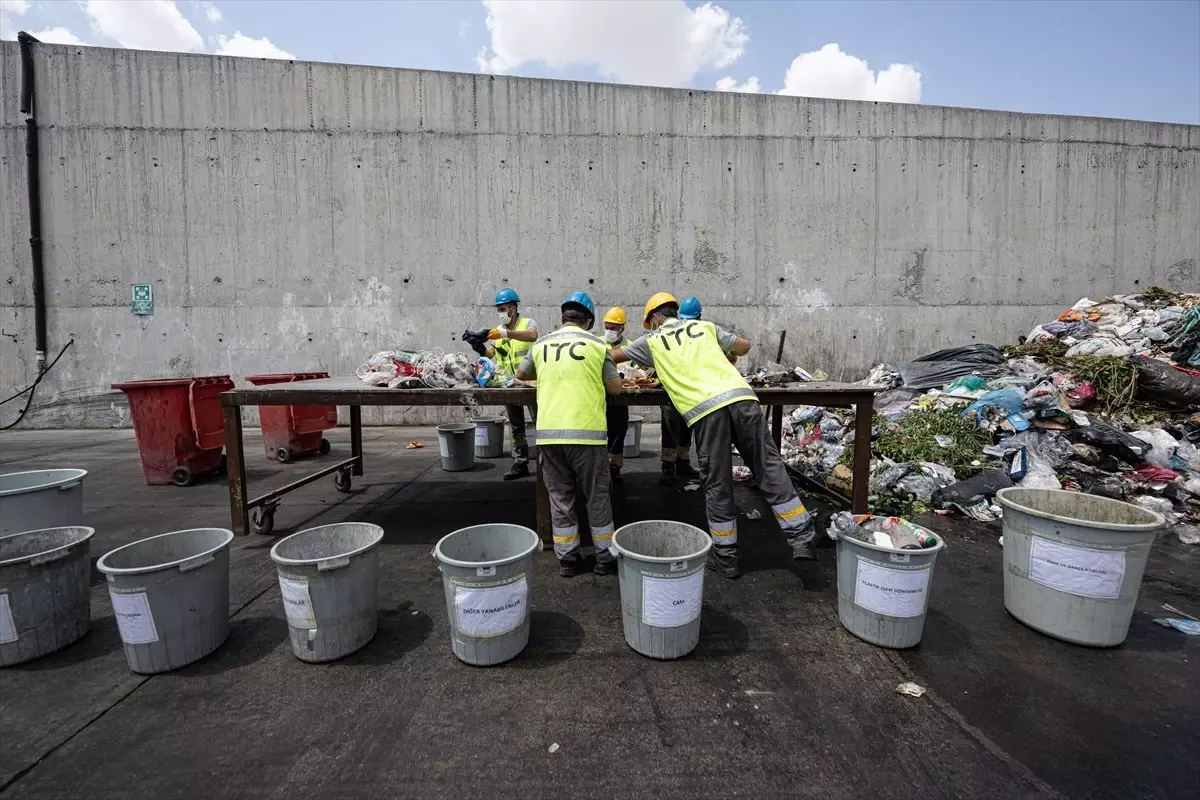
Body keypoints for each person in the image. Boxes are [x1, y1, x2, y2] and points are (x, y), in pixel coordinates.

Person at [611, 293, 816, 579]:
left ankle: (727, 557)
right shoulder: (704, 327)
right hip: (743, 400)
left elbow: (611, 356)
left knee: (718, 480)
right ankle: (802, 537)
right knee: (768, 466)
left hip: (708, 412)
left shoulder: (653, 341)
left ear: (655, 319)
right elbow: (743, 347)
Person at [517, 292, 624, 577]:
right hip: (587, 434)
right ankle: (604, 558)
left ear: (562, 318)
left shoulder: (541, 344)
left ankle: (567, 560)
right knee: (597, 495)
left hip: (550, 435)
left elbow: (521, 374)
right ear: (588, 321)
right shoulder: (598, 345)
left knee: (560, 497)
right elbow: (615, 389)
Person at [485, 288, 538, 481]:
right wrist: (478, 346)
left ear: (514, 308)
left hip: (531, 383)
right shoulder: (498, 332)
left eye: (503, 309)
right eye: (498, 309)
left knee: (540, 422)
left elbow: (532, 336)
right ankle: (520, 462)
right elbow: (490, 354)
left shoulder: (527, 323)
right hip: (510, 385)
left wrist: (508, 333)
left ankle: (545, 461)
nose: (500, 313)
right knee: (516, 426)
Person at [659, 297, 702, 485]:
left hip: (689, 390)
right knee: (670, 426)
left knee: (686, 427)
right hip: (672, 388)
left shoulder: (698, 336)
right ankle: (668, 466)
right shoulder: (671, 335)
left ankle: (682, 462)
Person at [602, 306, 632, 487]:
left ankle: (614, 470)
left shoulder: (630, 346)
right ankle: (600, 471)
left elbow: (636, 369)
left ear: (622, 328)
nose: (609, 331)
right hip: (599, 396)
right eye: (607, 327)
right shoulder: (597, 343)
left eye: (613, 328)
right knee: (600, 434)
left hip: (621, 396)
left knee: (618, 433)